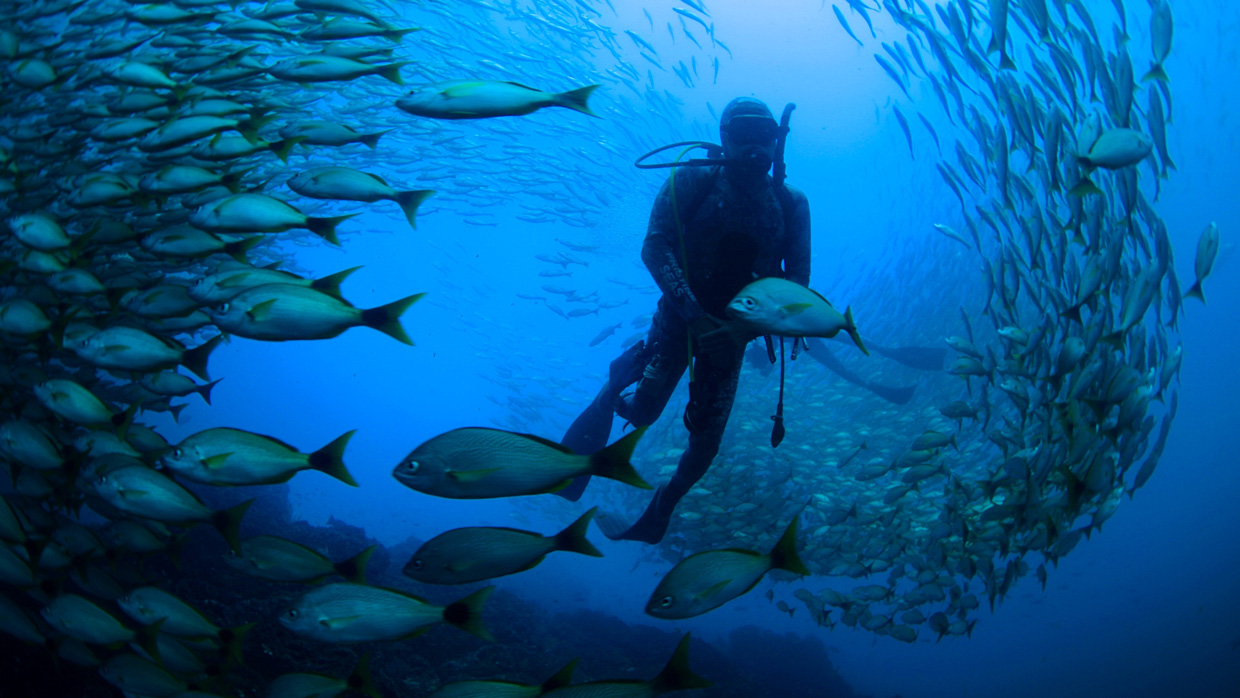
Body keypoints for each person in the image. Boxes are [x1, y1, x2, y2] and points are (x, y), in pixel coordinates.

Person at [559, 97, 811, 544]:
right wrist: (695, 317)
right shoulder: (693, 179)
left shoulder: (790, 203)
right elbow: (654, 247)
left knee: (706, 442)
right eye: (744, 136)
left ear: (777, 142)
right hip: (678, 325)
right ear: (724, 138)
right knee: (642, 415)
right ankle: (614, 389)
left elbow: (797, 282)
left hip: (730, 343)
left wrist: (740, 330)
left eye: (764, 138)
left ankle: (661, 509)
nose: (754, 148)